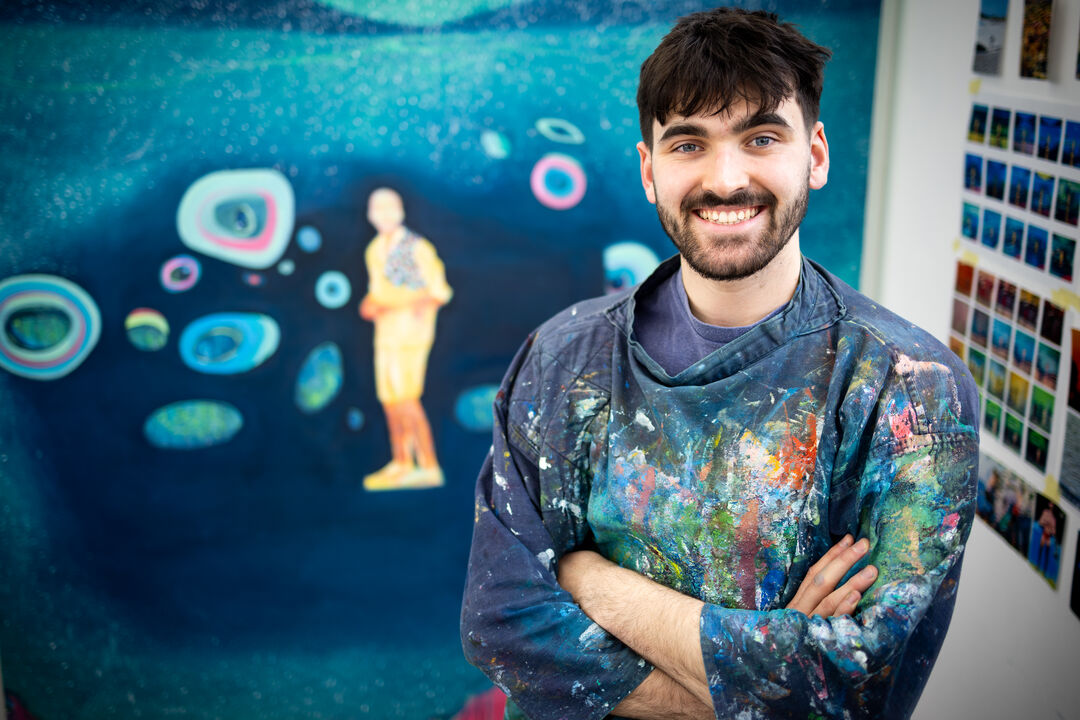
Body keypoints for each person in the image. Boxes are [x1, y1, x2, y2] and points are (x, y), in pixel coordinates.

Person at [461, 8, 978, 720]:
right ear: (649, 170)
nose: (725, 179)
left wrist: (592, 581)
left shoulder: (907, 389)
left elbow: (858, 685)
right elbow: (503, 625)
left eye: (761, 137)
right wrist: (765, 676)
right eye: (688, 144)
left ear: (816, 155)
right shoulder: (561, 360)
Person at [359, 187, 452, 491]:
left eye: (390, 207)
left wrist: (392, 305)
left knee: (406, 398)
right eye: (378, 208)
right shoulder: (374, 250)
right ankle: (402, 461)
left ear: (400, 211)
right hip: (385, 336)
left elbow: (438, 292)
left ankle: (427, 464)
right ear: (370, 214)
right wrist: (372, 304)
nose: (384, 214)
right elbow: (378, 293)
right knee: (389, 400)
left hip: (410, 336)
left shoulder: (416, 248)